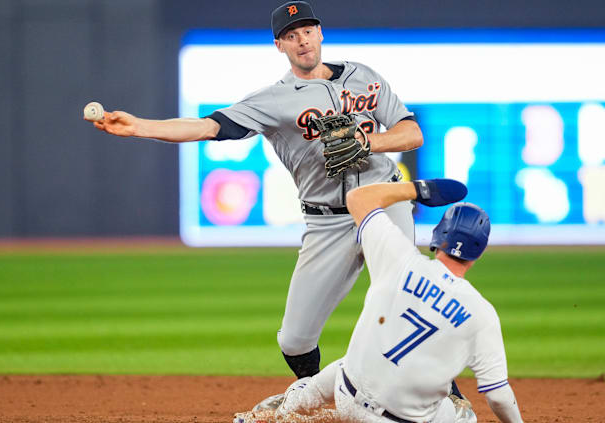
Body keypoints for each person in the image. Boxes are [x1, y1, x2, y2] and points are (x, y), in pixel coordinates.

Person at [85, 0, 474, 410]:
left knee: (401, 297)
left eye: (307, 30)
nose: (302, 40)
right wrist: (140, 127)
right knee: (294, 340)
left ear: (320, 32)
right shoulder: (273, 100)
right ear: (279, 46)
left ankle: (444, 389)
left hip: (383, 200)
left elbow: (411, 133)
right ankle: (325, 396)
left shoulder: (365, 77)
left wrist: (367, 142)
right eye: (292, 35)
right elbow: (208, 127)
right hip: (326, 221)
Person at [262, 179, 524, 423]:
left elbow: (358, 197)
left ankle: (291, 403)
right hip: (398, 419)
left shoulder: (399, 257)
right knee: (463, 414)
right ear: (478, 251)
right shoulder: (481, 313)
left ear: (438, 234)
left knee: (350, 364)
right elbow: (499, 397)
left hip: (345, 395)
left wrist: (420, 189)